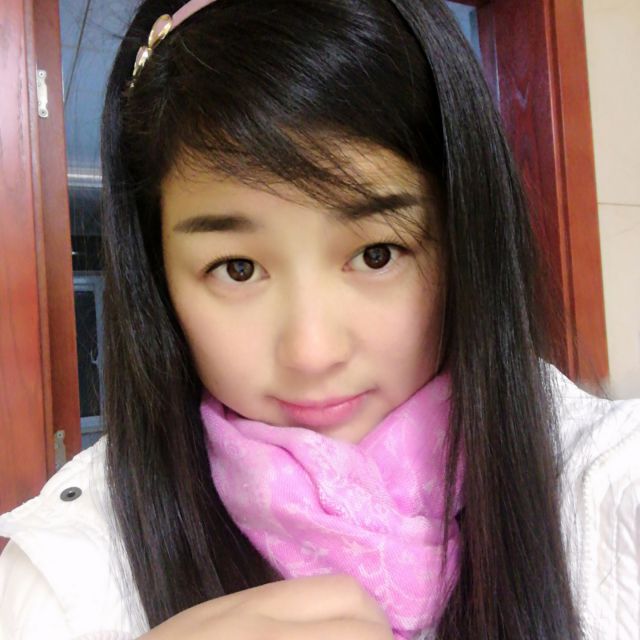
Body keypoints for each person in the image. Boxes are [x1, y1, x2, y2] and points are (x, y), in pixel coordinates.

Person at [1, 0, 639, 638]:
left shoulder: (608, 493)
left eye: (376, 254)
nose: (312, 352)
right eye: (237, 268)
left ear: (463, 240)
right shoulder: (64, 578)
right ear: (159, 275)